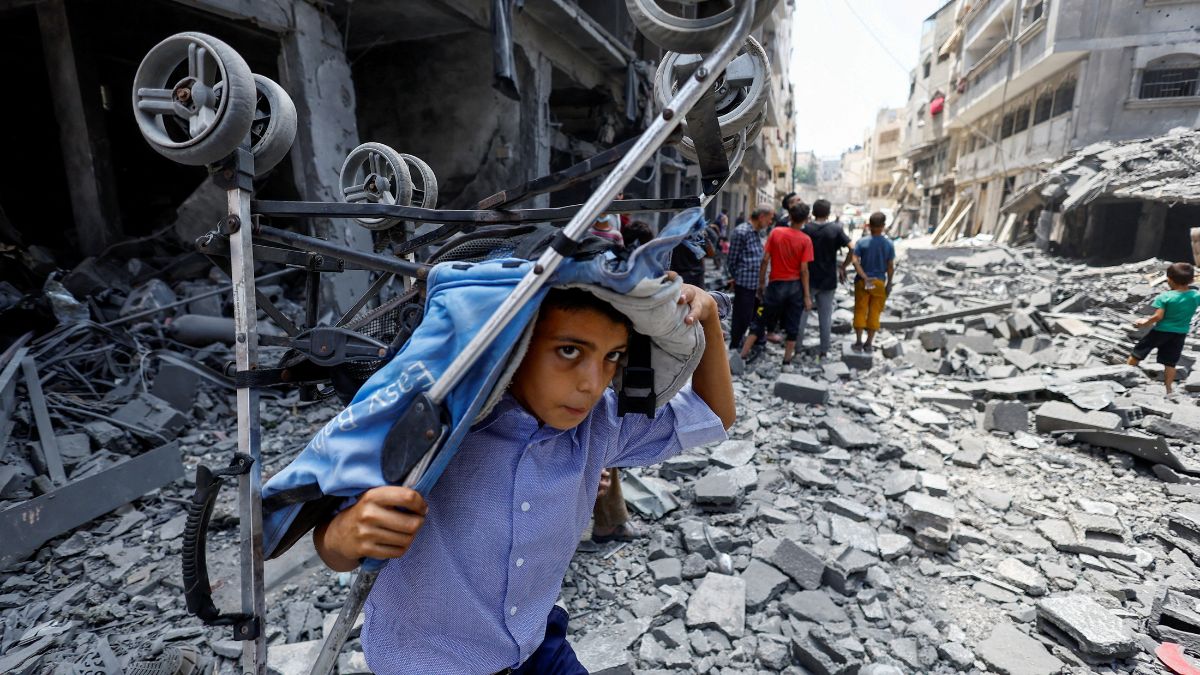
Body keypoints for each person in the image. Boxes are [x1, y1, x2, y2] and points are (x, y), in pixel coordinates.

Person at [313, 286, 735, 674]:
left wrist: (710, 318)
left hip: (535, 646)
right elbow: (335, 548)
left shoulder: (599, 426)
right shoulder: (432, 424)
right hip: (431, 661)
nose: (592, 383)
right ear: (516, 344)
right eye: (569, 350)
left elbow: (713, 415)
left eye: (612, 357)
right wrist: (345, 535)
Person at [740, 201, 814, 366]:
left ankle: (743, 355)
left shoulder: (776, 232)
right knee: (793, 324)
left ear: (790, 215)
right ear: (806, 219)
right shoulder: (806, 240)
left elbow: (765, 260)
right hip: (795, 287)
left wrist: (761, 284)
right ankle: (786, 361)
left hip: (775, 285)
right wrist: (807, 296)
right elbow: (804, 270)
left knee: (760, 319)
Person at [1128, 262, 1200, 395]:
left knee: (1138, 353)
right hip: (1179, 334)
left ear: (1169, 280)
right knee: (1170, 363)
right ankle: (1169, 389)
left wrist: (1143, 323)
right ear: (1191, 280)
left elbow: (1158, 317)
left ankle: (1123, 374)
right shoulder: (1195, 295)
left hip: (1161, 331)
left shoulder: (1164, 297)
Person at [801, 199, 853, 359]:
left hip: (807, 278)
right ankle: (824, 350)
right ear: (828, 213)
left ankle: (796, 347)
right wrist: (843, 266)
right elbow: (852, 248)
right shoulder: (835, 229)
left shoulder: (806, 229)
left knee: (802, 315)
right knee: (825, 316)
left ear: (813, 212)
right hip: (828, 279)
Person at [846, 212, 895, 352]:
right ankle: (868, 343)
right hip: (879, 282)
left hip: (863, 282)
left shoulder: (862, 242)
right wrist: (889, 283)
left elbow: (855, 261)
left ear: (869, 225)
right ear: (883, 226)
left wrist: (864, 276)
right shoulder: (888, 244)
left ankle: (858, 342)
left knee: (860, 310)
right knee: (875, 312)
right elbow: (890, 266)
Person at [726, 204, 772, 352]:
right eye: (769, 219)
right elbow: (732, 261)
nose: (770, 222)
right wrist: (736, 277)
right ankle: (735, 344)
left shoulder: (758, 232)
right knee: (741, 316)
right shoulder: (742, 232)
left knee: (756, 314)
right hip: (745, 283)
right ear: (761, 217)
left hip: (757, 284)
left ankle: (756, 342)